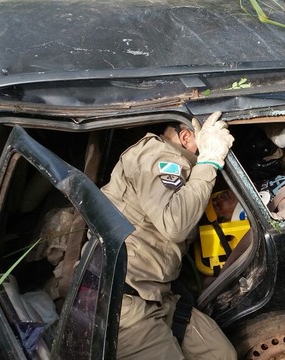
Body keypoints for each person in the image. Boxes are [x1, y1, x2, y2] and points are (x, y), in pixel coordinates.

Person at [101, 112, 237, 359]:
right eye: (204, 142)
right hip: (125, 303)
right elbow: (175, 224)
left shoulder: (171, 160)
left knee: (220, 354)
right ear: (186, 136)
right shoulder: (157, 156)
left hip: (158, 294)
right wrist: (209, 162)